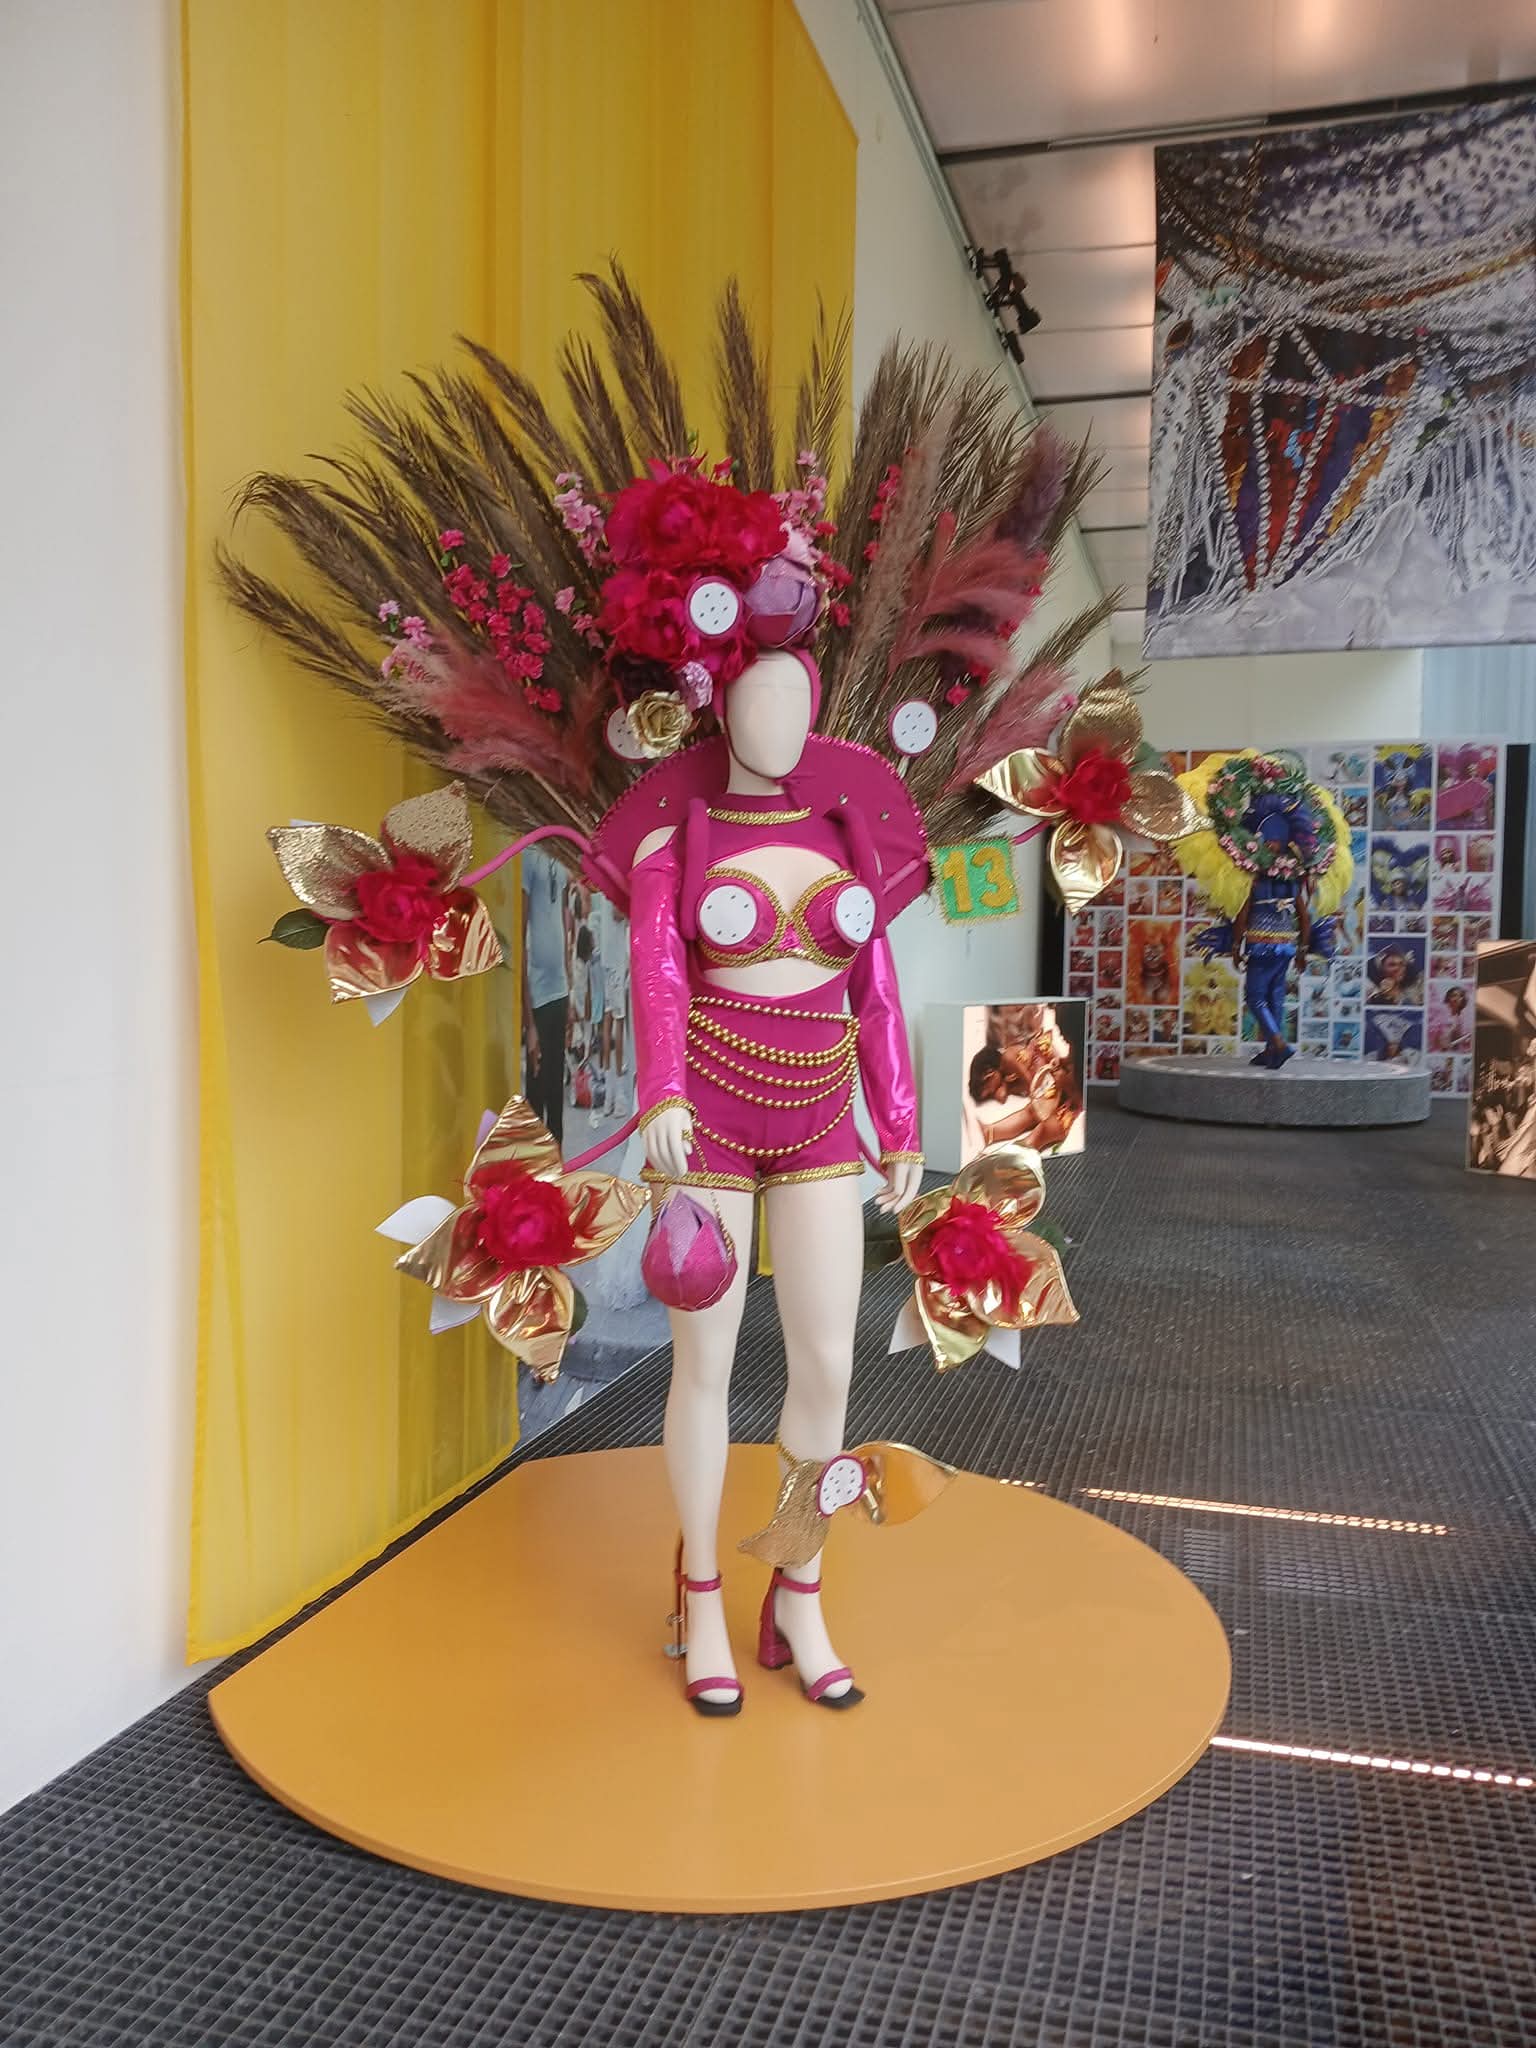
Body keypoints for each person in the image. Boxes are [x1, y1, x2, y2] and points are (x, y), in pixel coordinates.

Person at [521, 847, 569, 1145]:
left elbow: (563, 922)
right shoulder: (528, 854)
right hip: (537, 994)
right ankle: (537, 1162)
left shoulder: (558, 855)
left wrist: (570, 987)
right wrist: (529, 1024)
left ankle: (558, 1159)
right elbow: (520, 934)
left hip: (560, 990)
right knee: (537, 1088)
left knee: (556, 1088)